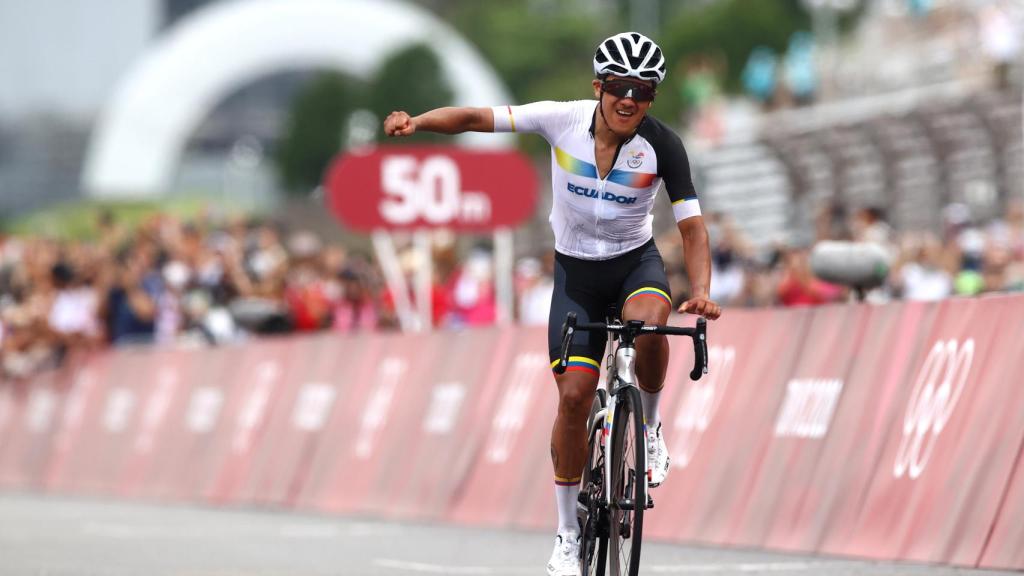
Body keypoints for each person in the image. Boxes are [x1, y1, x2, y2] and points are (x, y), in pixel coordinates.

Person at [383, 31, 721, 576]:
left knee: (651, 326)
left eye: (642, 91)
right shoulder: (560, 119)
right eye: (619, 87)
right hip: (576, 275)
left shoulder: (663, 145)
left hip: (634, 265)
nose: (629, 99)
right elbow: (474, 117)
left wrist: (701, 290)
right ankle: (567, 533)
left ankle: (651, 429)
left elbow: (693, 229)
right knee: (573, 398)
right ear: (598, 87)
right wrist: (417, 122)